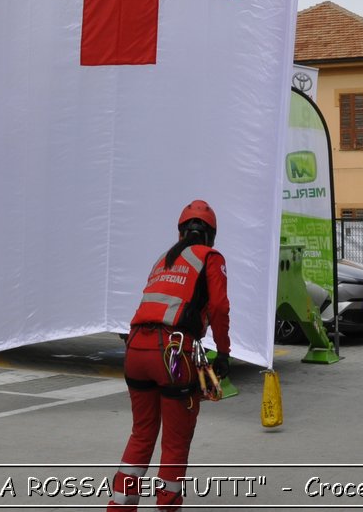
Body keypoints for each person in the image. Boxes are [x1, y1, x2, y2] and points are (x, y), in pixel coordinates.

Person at [106, 200, 230, 511]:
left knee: (142, 433)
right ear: (211, 235)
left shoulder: (163, 260)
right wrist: (224, 353)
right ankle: (167, 505)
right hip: (172, 354)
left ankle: (119, 505)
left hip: (135, 349)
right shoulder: (210, 257)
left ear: (180, 232)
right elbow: (218, 307)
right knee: (176, 440)